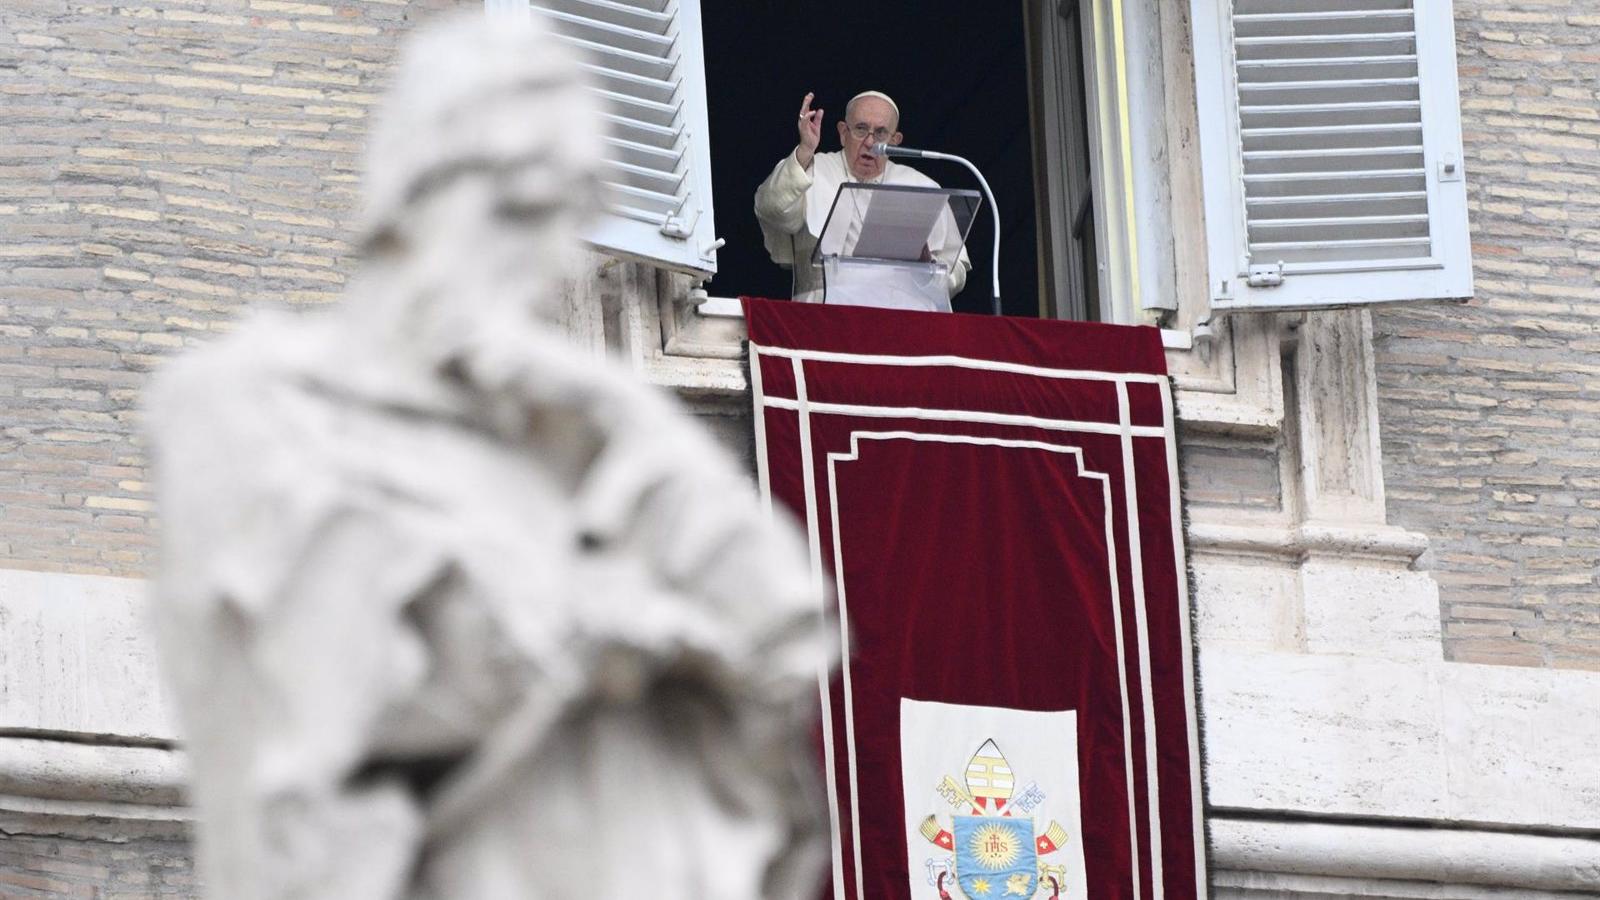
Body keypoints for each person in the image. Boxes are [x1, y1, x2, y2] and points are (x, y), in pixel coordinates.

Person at [754, 90, 972, 303]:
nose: (870, 142)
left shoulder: (921, 186)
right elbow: (772, 209)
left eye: (880, 133)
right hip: (824, 314)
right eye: (861, 129)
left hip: (901, 317)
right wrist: (804, 150)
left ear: (895, 141)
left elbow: (957, 270)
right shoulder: (812, 168)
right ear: (842, 132)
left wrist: (928, 269)